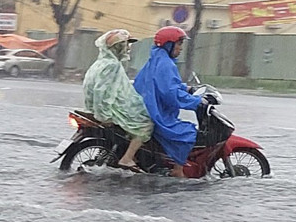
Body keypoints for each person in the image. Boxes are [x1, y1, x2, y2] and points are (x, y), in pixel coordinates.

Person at [132, 26, 205, 178]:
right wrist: (196, 102)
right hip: (157, 112)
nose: (180, 49)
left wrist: (187, 88)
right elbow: (170, 94)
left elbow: (169, 85)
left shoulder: (157, 58)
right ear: (168, 44)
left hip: (150, 107)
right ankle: (177, 169)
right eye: (178, 44)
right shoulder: (166, 64)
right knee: (188, 132)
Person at [82, 29, 153, 172]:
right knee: (147, 123)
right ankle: (127, 158)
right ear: (118, 47)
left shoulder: (101, 62)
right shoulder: (112, 65)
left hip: (94, 108)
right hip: (109, 110)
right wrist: (105, 116)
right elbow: (101, 91)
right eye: (126, 45)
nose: (128, 48)